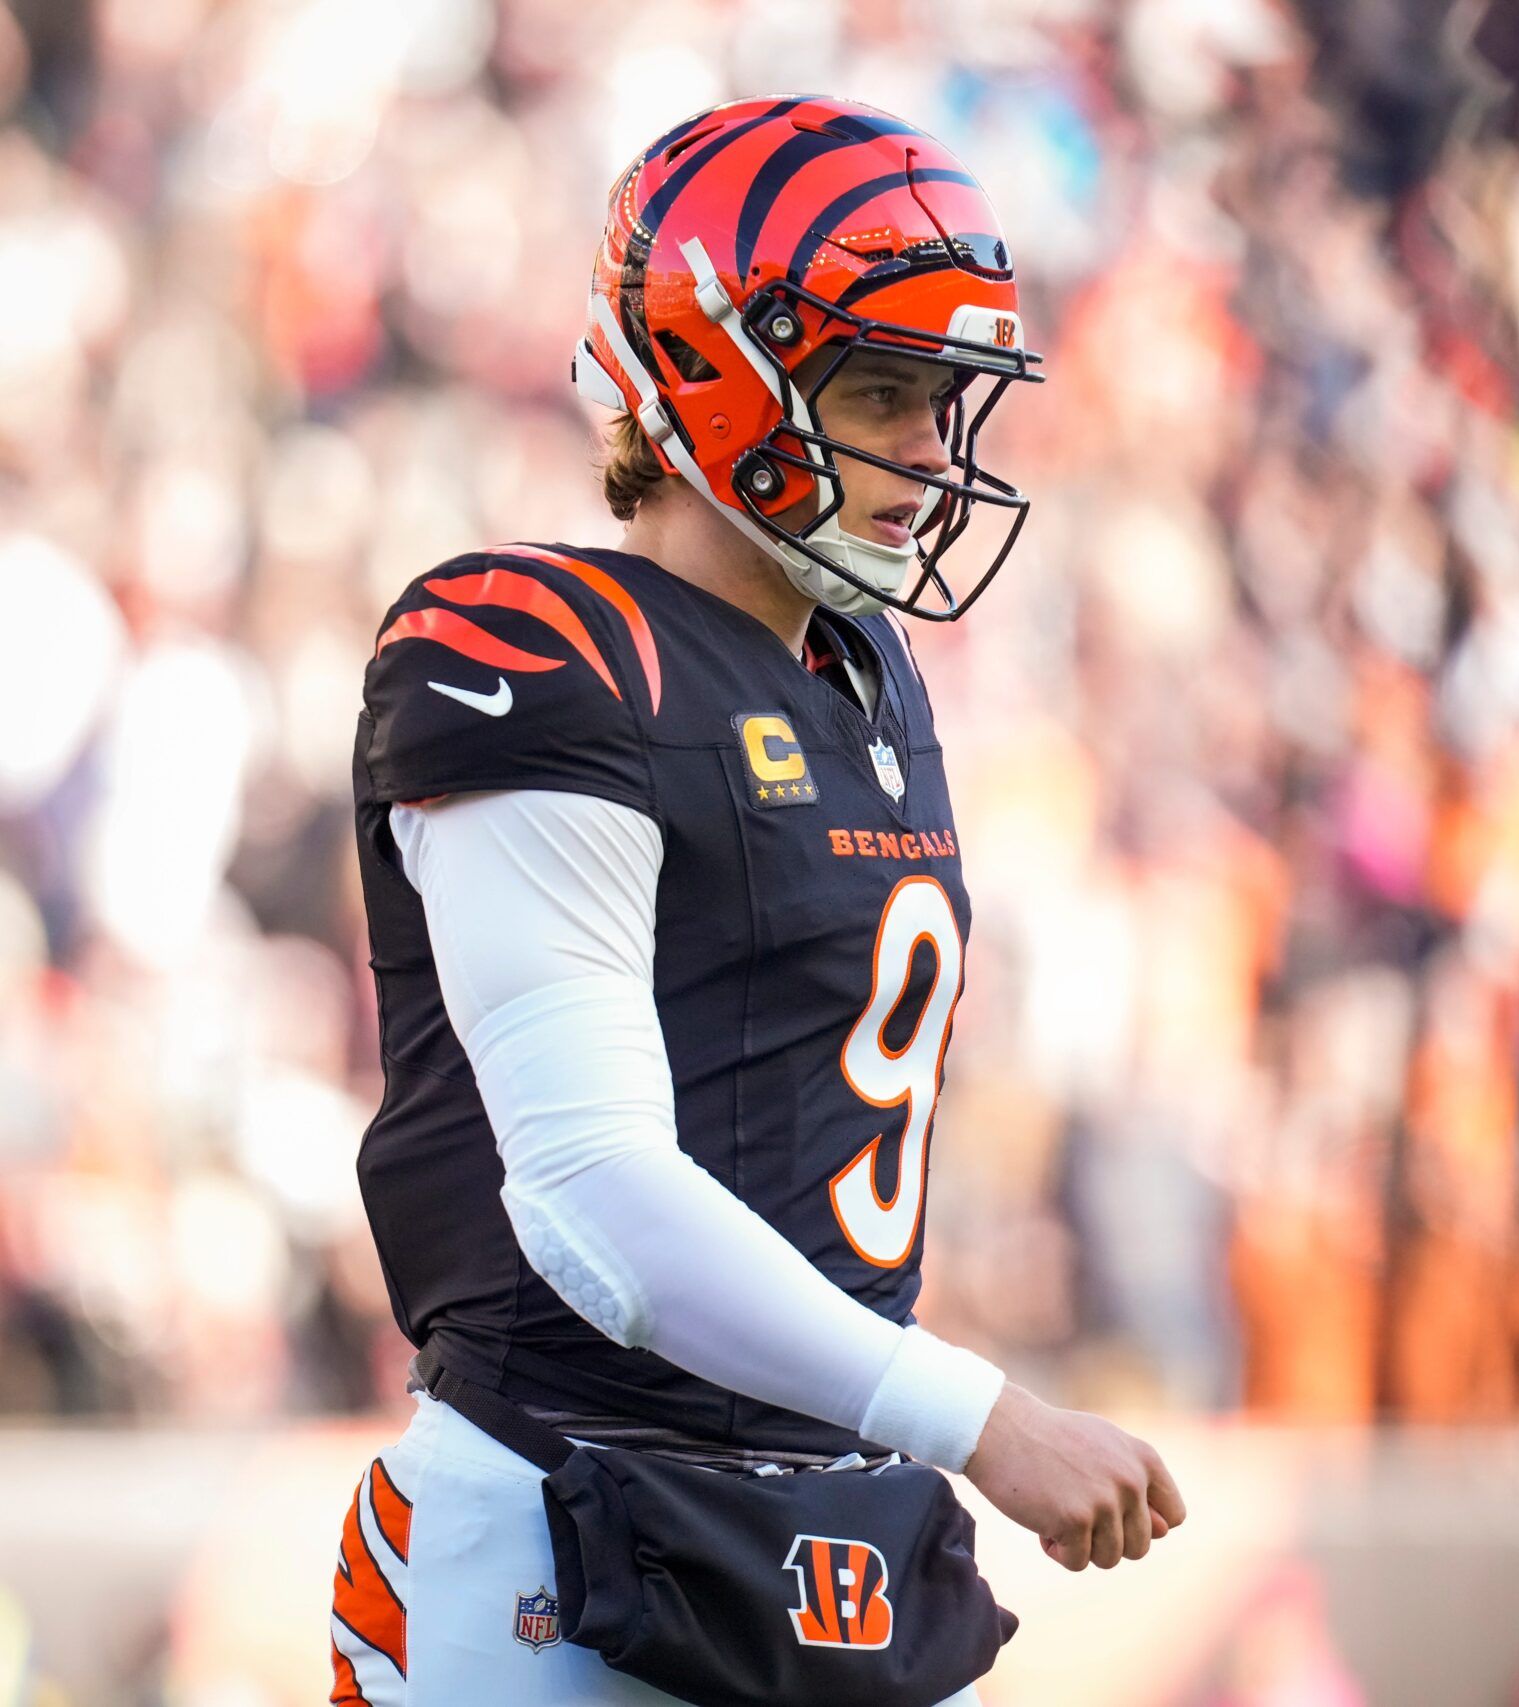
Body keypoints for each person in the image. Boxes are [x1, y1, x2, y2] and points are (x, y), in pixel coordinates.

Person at [330, 97, 1185, 1706]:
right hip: (554, 1531)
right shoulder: (541, 651)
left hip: (829, 1530)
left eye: (943, 402)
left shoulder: (867, 674)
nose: (929, 453)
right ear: (720, 372)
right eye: (882, 391)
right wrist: (984, 1420)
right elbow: (593, 1197)